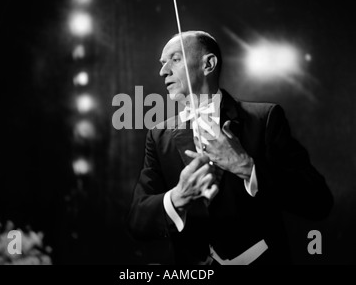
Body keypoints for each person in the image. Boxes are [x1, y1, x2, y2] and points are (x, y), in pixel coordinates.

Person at [127, 31, 333, 264]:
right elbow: (137, 221)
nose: (163, 71)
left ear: (208, 64)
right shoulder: (158, 135)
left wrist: (246, 166)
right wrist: (178, 196)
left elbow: (318, 202)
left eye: (174, 59)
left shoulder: (264, 119)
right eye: (163, 64)